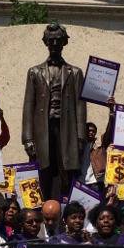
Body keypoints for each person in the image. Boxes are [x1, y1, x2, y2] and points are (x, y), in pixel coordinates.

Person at [22, 22, 87, 199]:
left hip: (66, 129)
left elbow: (80, 107)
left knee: (66, 170)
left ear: (64, 42)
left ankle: (66, 207)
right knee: (43, 170)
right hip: (43, 128)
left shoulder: (75, 73)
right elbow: (29, 106)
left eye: (58, 40)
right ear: (46, 42)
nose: (54, 44)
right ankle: (44, 207)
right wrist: (28, 139)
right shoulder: (35, 72)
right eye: (51, 41)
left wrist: (81, 138)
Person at [80, 98, 115, 194]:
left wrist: (111, 111)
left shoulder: (99, 143)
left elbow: (109, 131)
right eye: (89, 130)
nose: (91, 133)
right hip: (82, 182)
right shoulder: (79, 144)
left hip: (96, 182)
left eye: (93, 131)